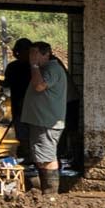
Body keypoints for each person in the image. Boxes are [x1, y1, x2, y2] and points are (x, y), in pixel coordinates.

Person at [18, 39, 69, 196]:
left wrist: (34, 66)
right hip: (41, 121)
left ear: (46, 54)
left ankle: (50, 194)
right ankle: (46, 192)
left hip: (47, 122)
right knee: (42, 156)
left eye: (35, 54)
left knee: (46, 157)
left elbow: (40, 86)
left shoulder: (51, 69)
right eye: (30, 54)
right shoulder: (46, 68)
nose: (32, 57)